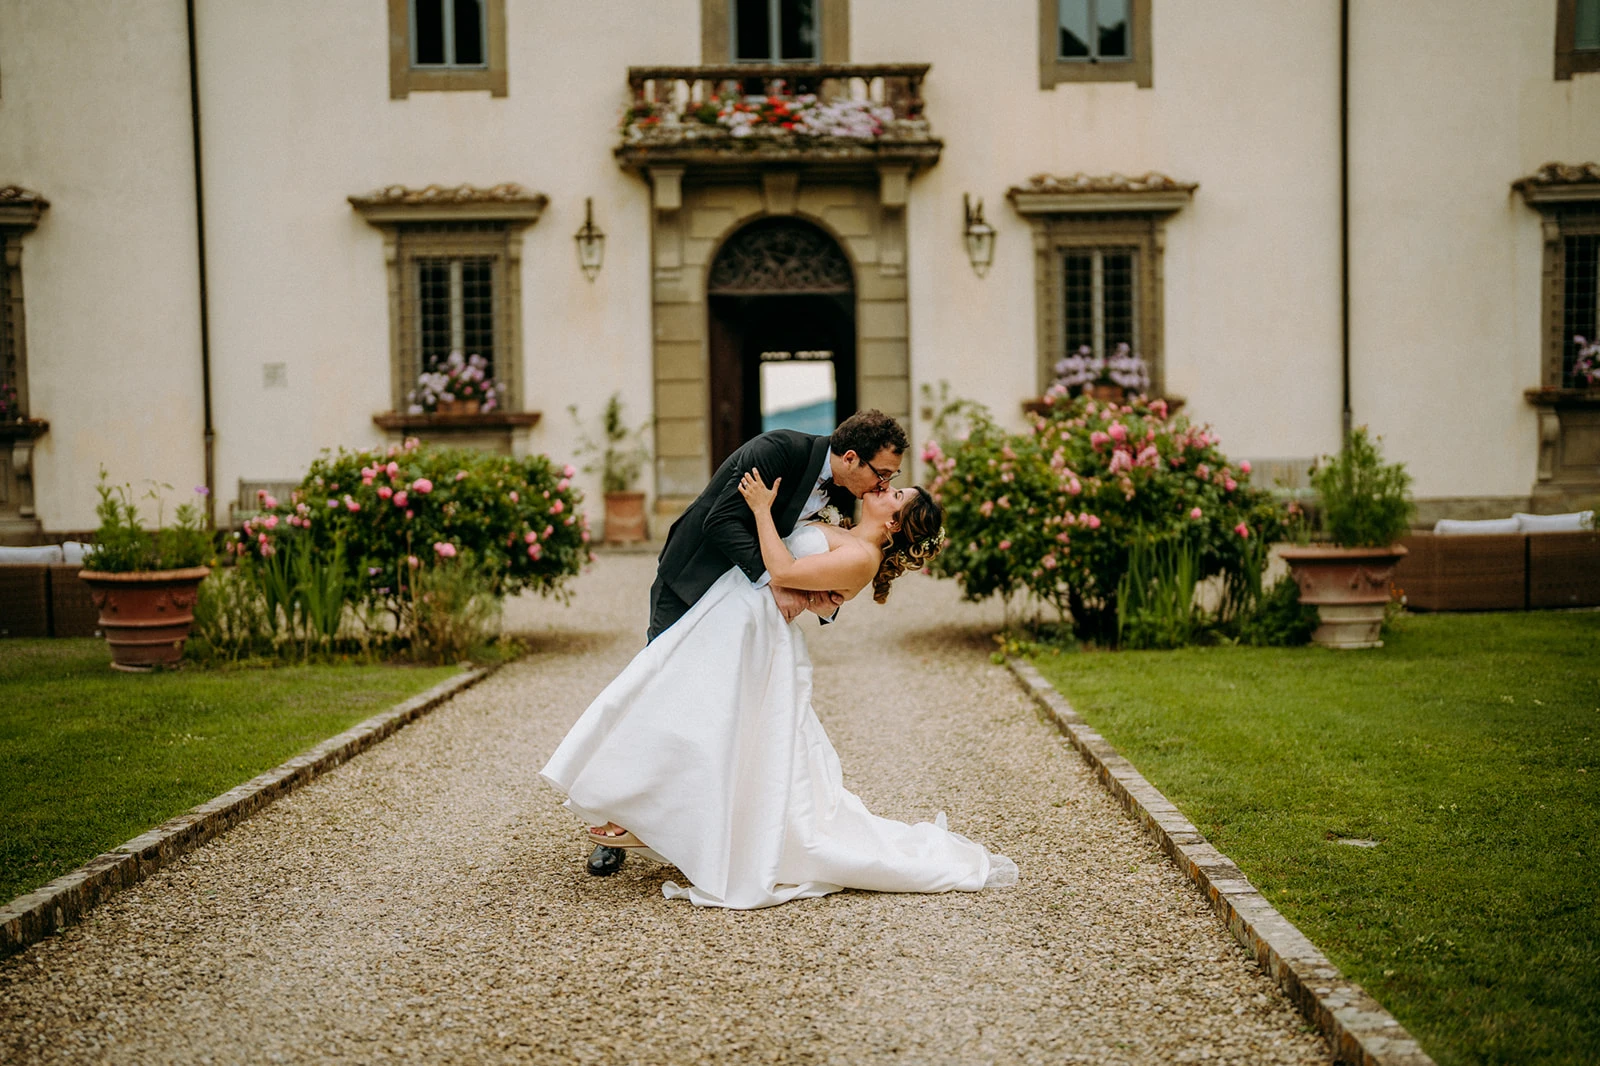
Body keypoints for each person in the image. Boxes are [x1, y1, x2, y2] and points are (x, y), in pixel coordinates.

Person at [539, 468, 1019, 910]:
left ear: (894, 523)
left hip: (752, 628)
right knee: (676, 705)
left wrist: (763, 511)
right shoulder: (846, 533)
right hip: (733, 611)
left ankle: (653, 816)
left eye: (895, 494)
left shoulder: (863, 556)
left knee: (697, 716)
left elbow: (785, 572)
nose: (884, 488)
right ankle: (647, 811)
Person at [582, 410, 912, 877]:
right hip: (693, 585)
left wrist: (820, 593)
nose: (881, 487)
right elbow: (720, 521)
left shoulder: (845, 487)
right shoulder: (777, 451)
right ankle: (617, 823)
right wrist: (775, 581)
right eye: (881, 475)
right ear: (852, 458)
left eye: (891, 480)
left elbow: (823, 553)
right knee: (656, 696)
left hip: (748, 614)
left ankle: (691, 829)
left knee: (723, 716)